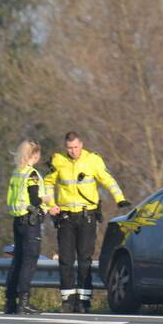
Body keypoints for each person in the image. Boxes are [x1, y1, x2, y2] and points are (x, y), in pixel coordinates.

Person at [44, 131, 130, 313]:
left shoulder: (93, 160)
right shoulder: (58, 160)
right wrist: (51, 204)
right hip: (65, 217)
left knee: (85, 260)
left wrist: (119, 198)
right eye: (69, 148)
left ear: (81, 145)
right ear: (65, 147)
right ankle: (68, 301)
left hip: (87, 216)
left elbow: (108, 180)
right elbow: (48, 184)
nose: (73, 151)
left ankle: (84, 301)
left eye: (75, 147)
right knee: (66, 260)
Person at [4, 139, 48, 315]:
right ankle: (24, 302)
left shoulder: (17, 172)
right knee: (29, 262)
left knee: (18, 260)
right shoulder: (32, 174)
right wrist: (47, 199)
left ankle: (10, 302)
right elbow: (35, 199)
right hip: (30, 223)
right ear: (34, 155)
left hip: (17, 221)